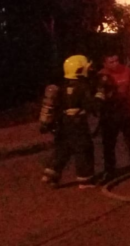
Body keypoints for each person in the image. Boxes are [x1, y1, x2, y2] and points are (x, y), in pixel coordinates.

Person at [40, 55, 99, 189]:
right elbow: (92, 106)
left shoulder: (61, 85)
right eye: (86, 67)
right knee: (83, 149)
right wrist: (100, 94)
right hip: (78, 124)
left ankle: (50, 174)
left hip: (62, 122)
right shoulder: (82, 86)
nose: (89, 70)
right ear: (79, 69)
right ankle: (85, 180)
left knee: (63, 148)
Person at [96, 52, 130, 183]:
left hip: (125, 111)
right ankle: (110, 171)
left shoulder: (126, 70)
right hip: (109, 113)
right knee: (109, 145)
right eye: (111, 62)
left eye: (116, 60)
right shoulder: (101, 75)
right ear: (105, 64)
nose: (115, 64)